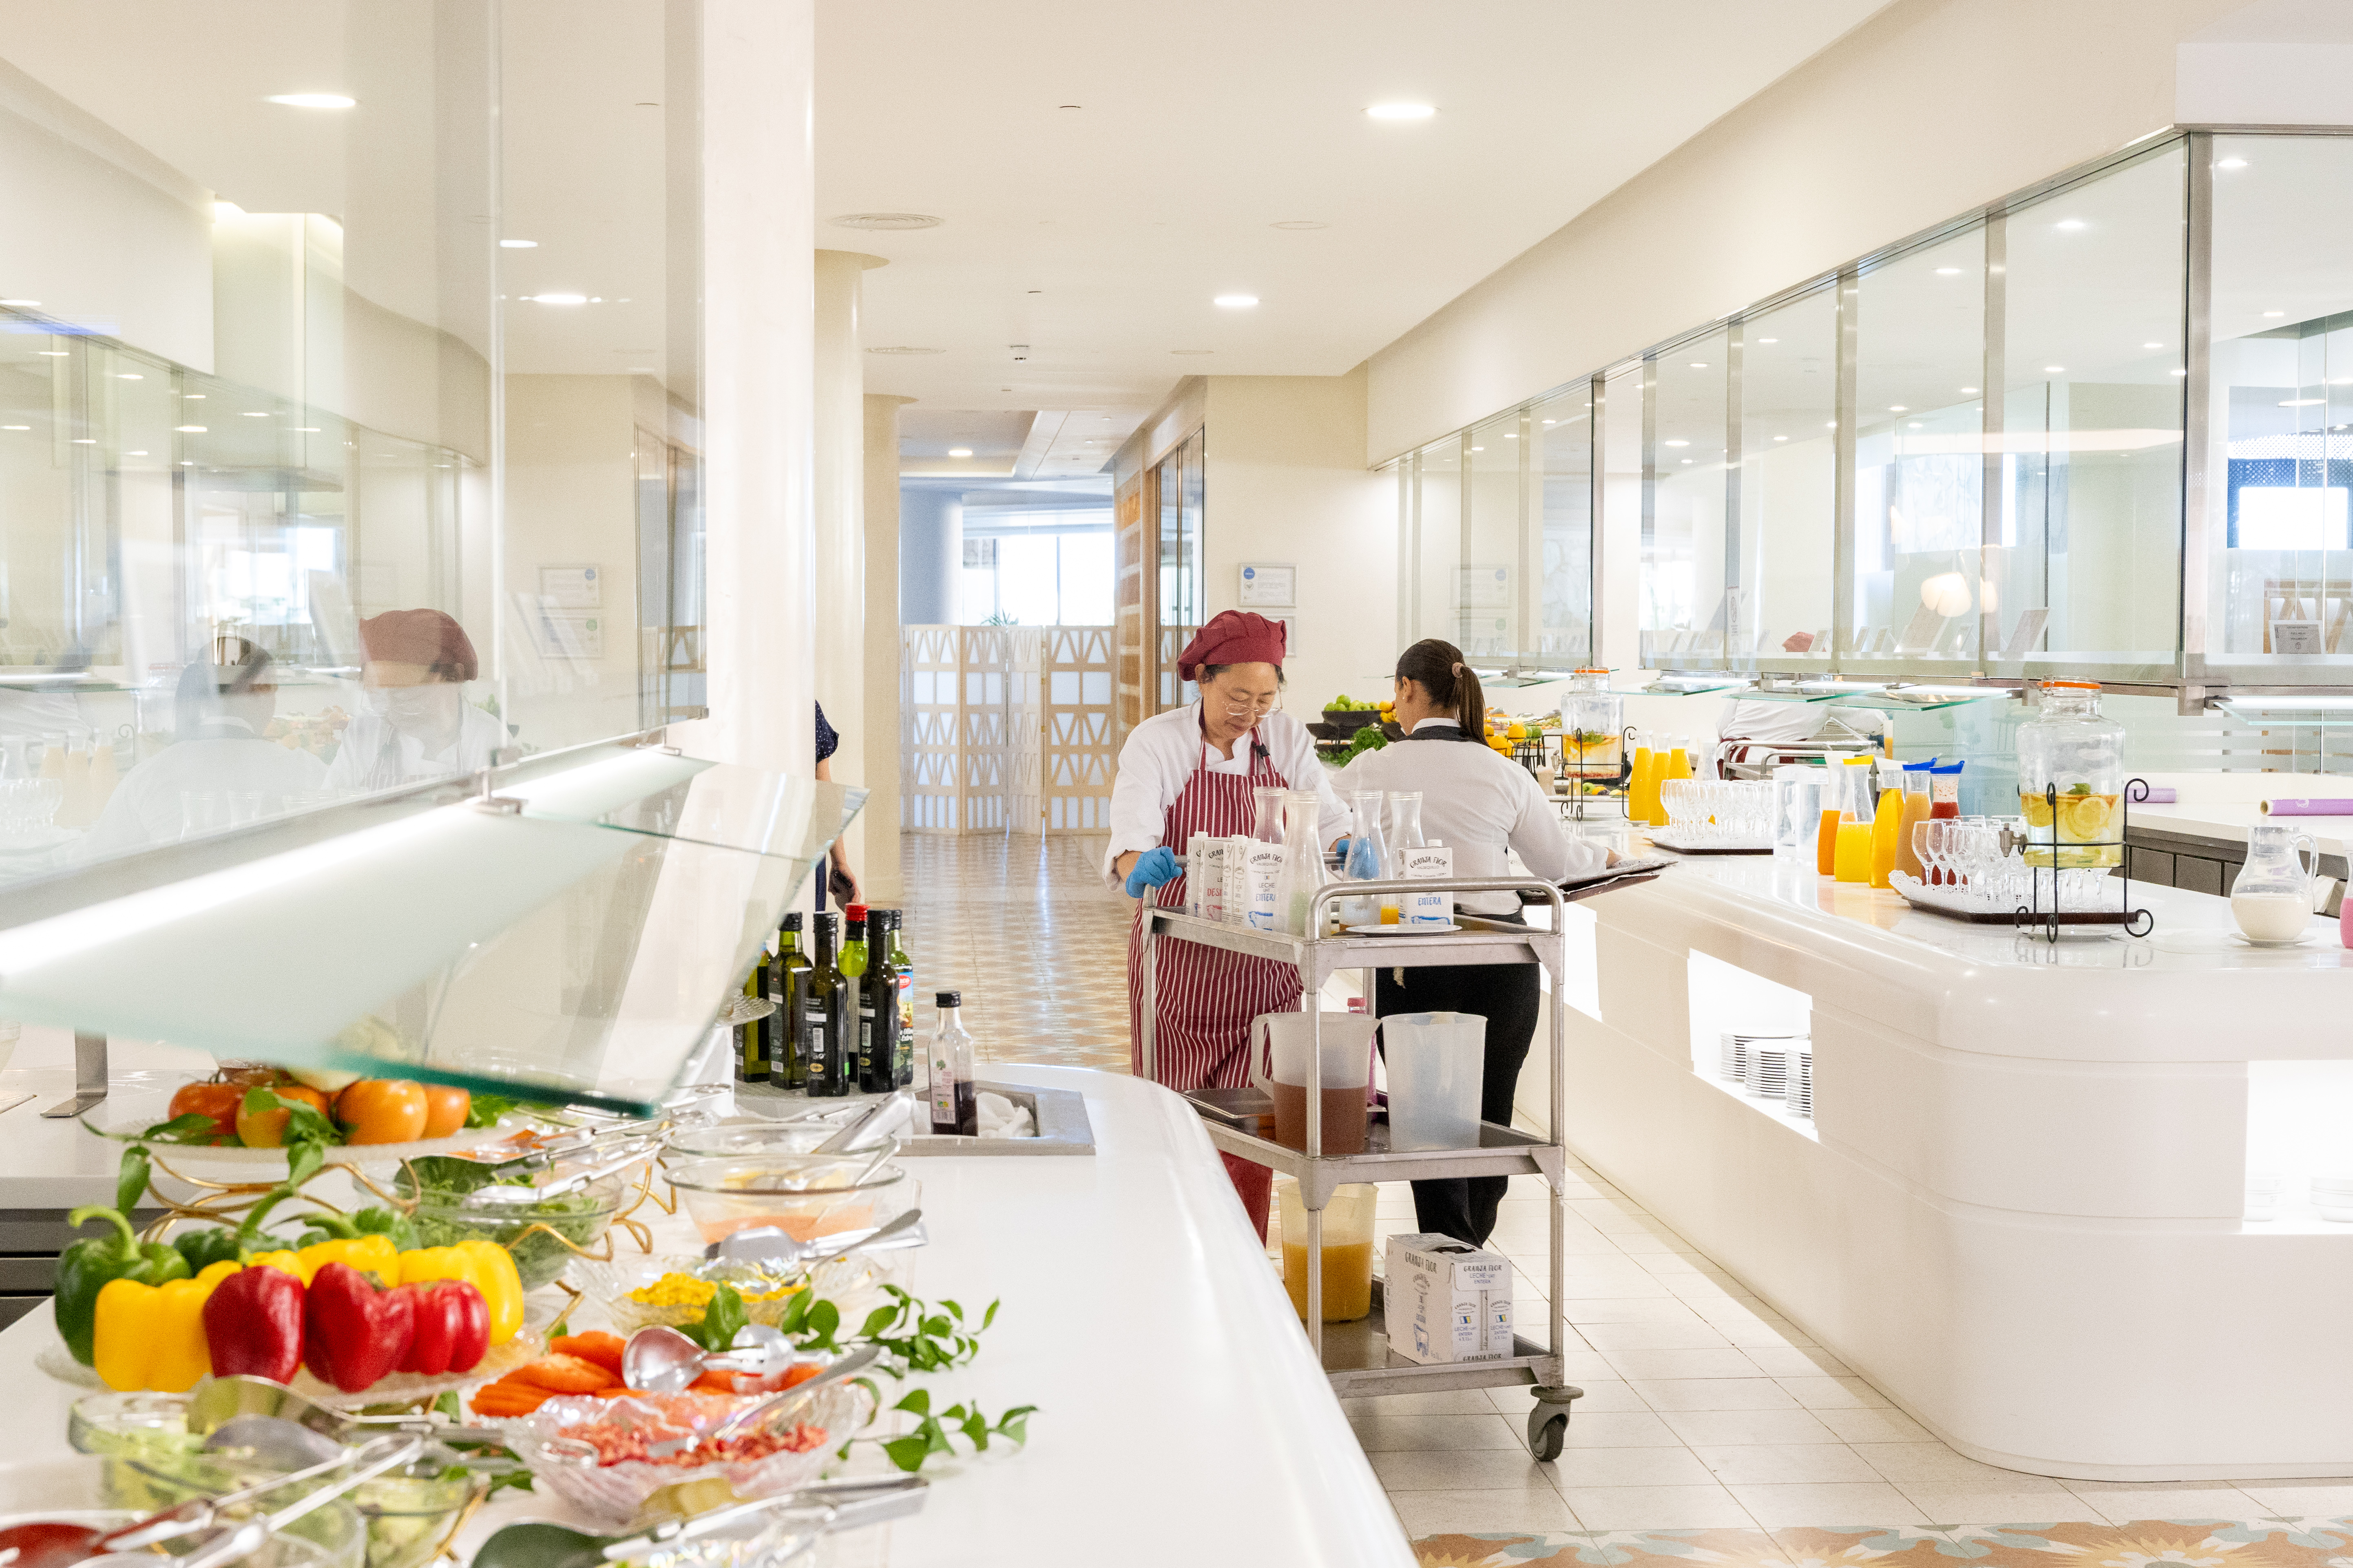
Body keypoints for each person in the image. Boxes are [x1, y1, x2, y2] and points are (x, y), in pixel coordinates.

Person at [1334, 637, 1612, 1248]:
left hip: (1411, 960)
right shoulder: (1503, 770)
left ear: (1408, 688)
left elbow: (1324, 825)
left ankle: (1448, 1263)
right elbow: (1562, 864)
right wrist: (1613, 857)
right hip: (1500, 961)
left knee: (1425, 1122)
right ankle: (1465, 1261)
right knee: (1490, 1119)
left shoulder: (1374, 767)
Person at [1107, 610, 1349, 1238]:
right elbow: (1130, 838)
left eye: (1265, 698)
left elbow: (1327, 819)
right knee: (1174, 1118)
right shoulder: (1156, 742)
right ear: (1203, 680)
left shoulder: (1288, 741)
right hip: (1178, 971)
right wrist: (1139, 865)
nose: (1250, 711)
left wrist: (1350, 844)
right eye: (1237, 695)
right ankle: (1173, 1250)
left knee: (1254, 1123)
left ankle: (1239, 1258)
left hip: (1264, 968)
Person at [82, 638, 327, 856]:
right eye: (273, 691)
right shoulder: (304, 768)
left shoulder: (148, 774)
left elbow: (97, 859)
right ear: (261, 690)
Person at [324, 609, 506, 792]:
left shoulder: (488, 739)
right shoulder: (363, 734)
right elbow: (329, 807)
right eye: (377, 695)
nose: (390, 711)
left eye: (402, 694)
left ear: (451, 680)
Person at [814, 701, 860, 908]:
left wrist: (840, 863)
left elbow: (826, 794)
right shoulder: (808, 708)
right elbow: (826, 793)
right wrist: (840, 862)